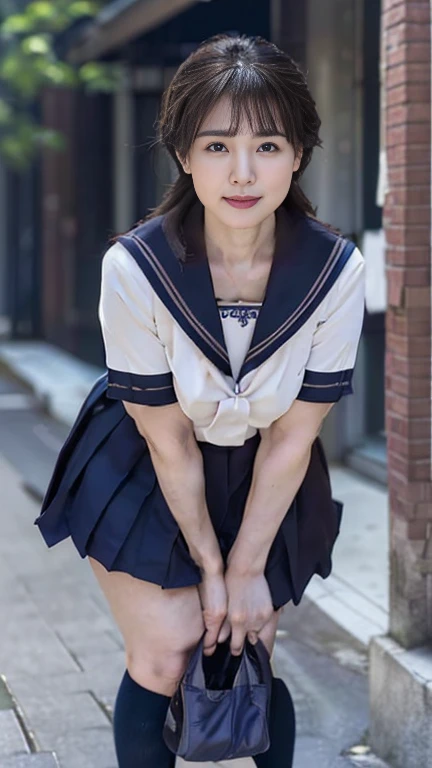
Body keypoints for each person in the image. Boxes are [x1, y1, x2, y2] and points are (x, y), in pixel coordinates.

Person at [35, 33, 366, 767]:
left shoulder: (336, 271)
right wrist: (211, 570)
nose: (243, 172)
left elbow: (293, 438)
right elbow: (169, 441)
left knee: (250, 639)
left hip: (265, 468)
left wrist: (244, 572)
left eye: (269, 145)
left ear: (300, 154)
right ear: (183, 154)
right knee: (166, 652)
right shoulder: (136, 267)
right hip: (142, 463)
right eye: (217, 147)